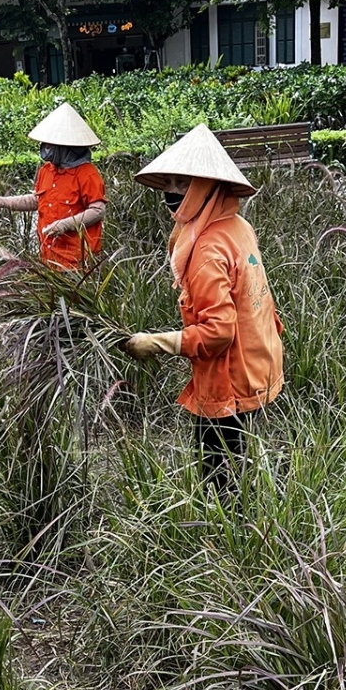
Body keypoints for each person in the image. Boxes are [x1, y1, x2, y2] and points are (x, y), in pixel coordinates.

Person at [124, 123, 284, 488]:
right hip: (257, 358)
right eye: (168, 182)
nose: (171, 192)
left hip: (229, 375)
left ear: (207, 187)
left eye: (183, 184)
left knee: (217, 472)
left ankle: (231, 539)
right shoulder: (236, 224)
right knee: (237, 455)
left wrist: (156, 342)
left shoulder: (208, 249)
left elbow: (218, 332)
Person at [0, 102, 105, 268]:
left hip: (78, 261)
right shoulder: (47, 170)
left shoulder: (87, 174)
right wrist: (3, 202)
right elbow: (37, 200)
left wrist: (65, 225)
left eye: (49, 145)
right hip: (49, 256)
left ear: (65, 146)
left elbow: (98, 210)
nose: (45, 149)